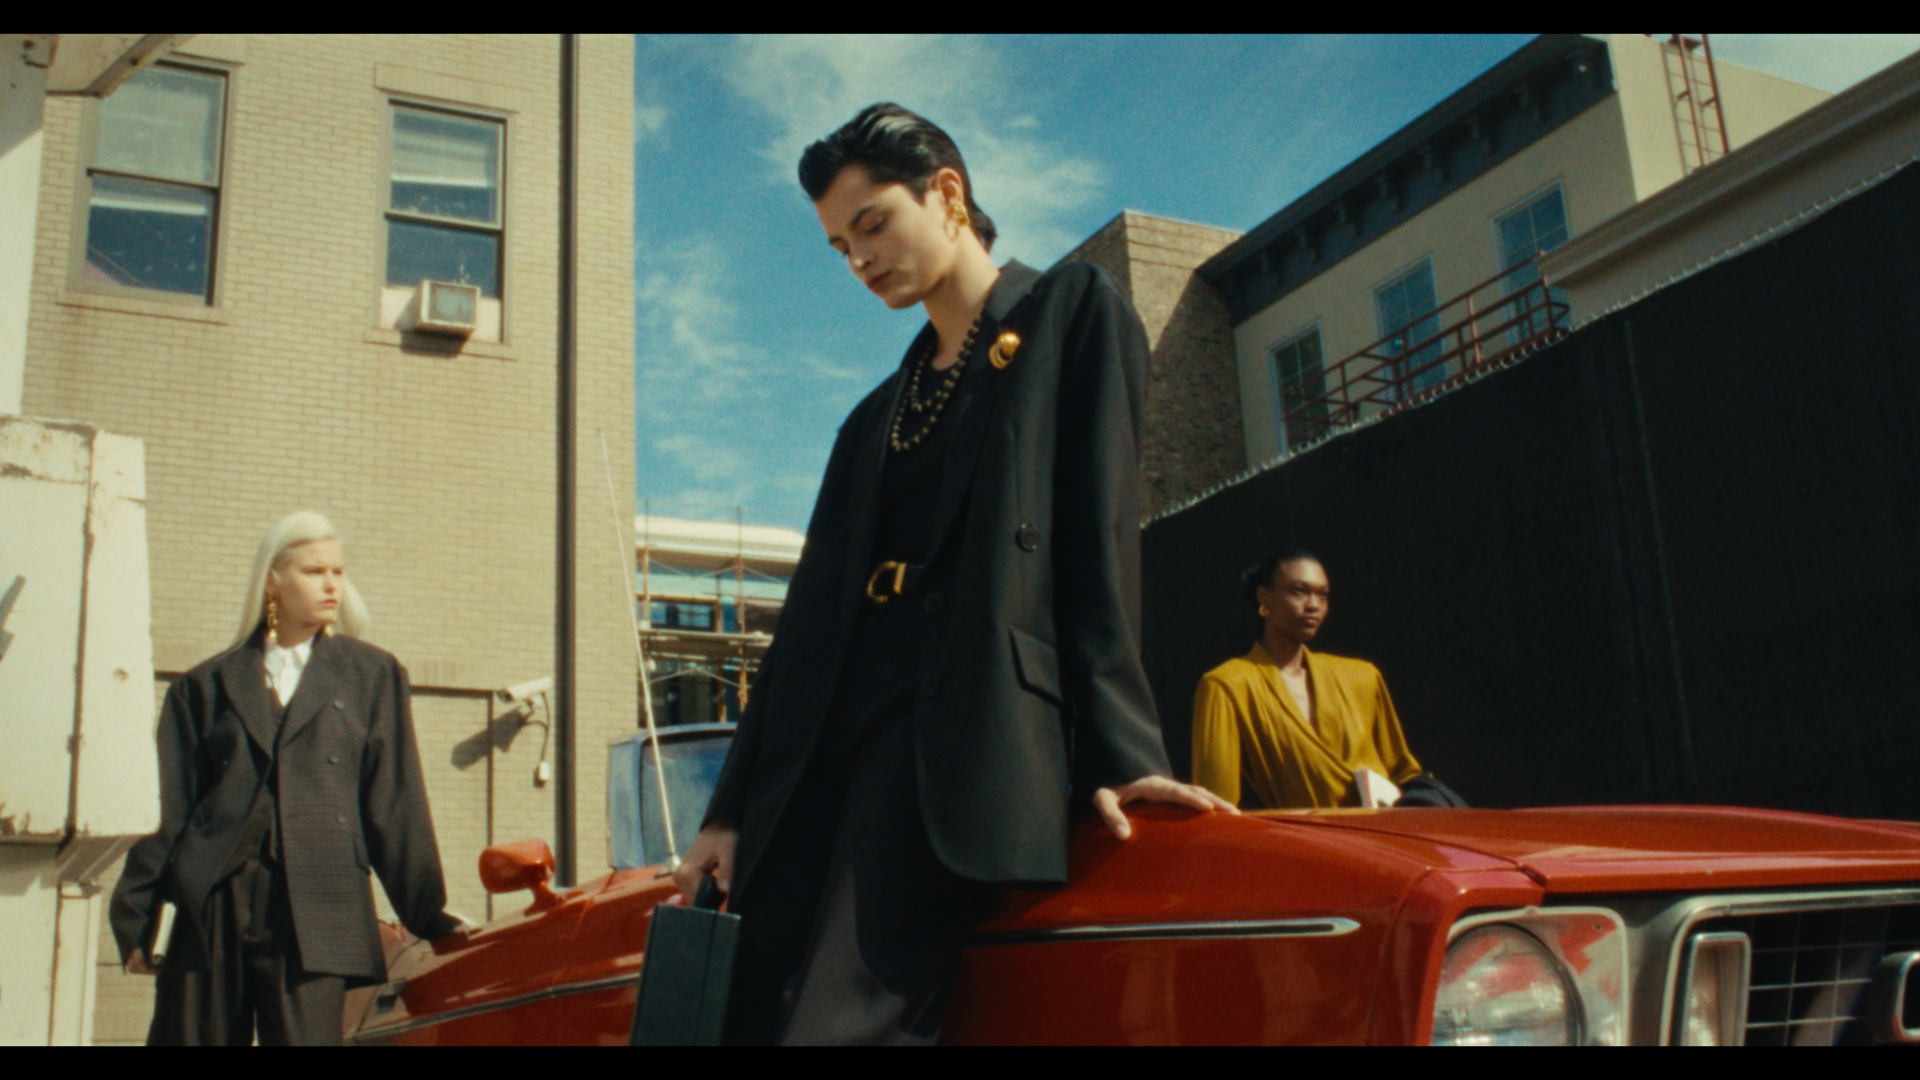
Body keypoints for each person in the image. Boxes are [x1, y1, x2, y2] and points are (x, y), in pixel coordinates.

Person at [669, 102, 1236, 1045]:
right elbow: (805, 623)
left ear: (948, 194)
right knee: (741, 1017)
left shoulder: (1071, 311)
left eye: (873, 225)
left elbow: (1098, 541)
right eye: (840, 248)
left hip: (949, 729)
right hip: (821, 744)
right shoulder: (874, 415)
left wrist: (1124, 758)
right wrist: (726, 811)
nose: (860, 260)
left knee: (832, 1026)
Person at [110, 511, 462, 1046]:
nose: (331, 585)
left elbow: (394, 801)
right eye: (314, 571)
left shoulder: (371, 674)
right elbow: (170, 810)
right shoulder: (203, 686)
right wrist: (136, 914)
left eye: (338, 572)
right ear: (273, 580)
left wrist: (428, 913)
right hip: (211, 901)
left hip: (319, 902)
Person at [1190, 548, 1463, 810]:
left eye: (1323, 595)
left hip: (1386, 837)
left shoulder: (1362, 677)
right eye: (1299, 591)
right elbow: (1216, 800)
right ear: (1264, 597)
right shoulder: (1227, 684)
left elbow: (1404, 772)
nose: (1314, 605)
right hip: (1314, 844)